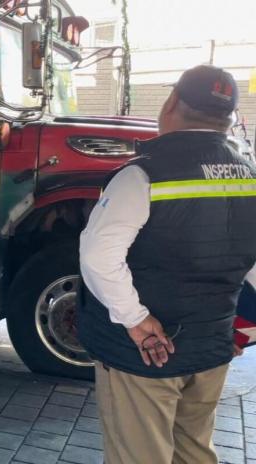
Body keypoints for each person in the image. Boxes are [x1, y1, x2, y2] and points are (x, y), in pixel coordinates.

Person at [78, 65, 256, 464]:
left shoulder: (142, 175)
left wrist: (137, 321)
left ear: (171, 102)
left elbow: (98, 256)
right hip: (211, 348)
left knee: (140, 455)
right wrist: (240, 329)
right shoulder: (251, 176)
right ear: (228, 118)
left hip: (148, 355)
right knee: (194, 450)